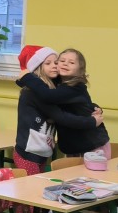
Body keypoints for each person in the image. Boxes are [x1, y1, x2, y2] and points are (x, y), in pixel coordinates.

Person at [12, 45, 102, 176]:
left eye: (56, 62)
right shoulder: (36, 93)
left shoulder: (53, 88)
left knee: (38, 185)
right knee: (32, 187)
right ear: (37, 67)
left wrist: (94, 107)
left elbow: (74, 104)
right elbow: (61, 116)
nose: (54, 66)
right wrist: (91, 121)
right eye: (48, 63)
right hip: (28, 153)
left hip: (41, 151)